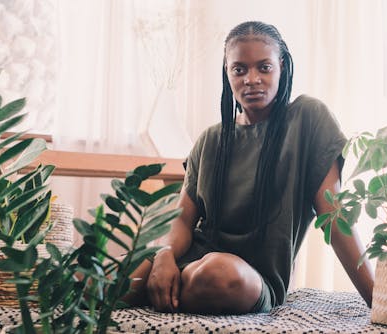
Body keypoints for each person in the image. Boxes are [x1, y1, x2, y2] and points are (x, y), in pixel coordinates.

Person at [126, 21, 374, 315]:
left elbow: (334, 216)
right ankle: (159, 284)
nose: (251, 79)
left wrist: (379, 300)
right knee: (94, 279)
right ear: (227, 72)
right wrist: (164, 254)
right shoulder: (211, 139)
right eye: (239, 69)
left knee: (218, 274)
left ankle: (156, 290)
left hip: (249, 281)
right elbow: (182, 220)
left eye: (264, 67)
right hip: (193, 260)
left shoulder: (308, 119)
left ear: (282, 66)